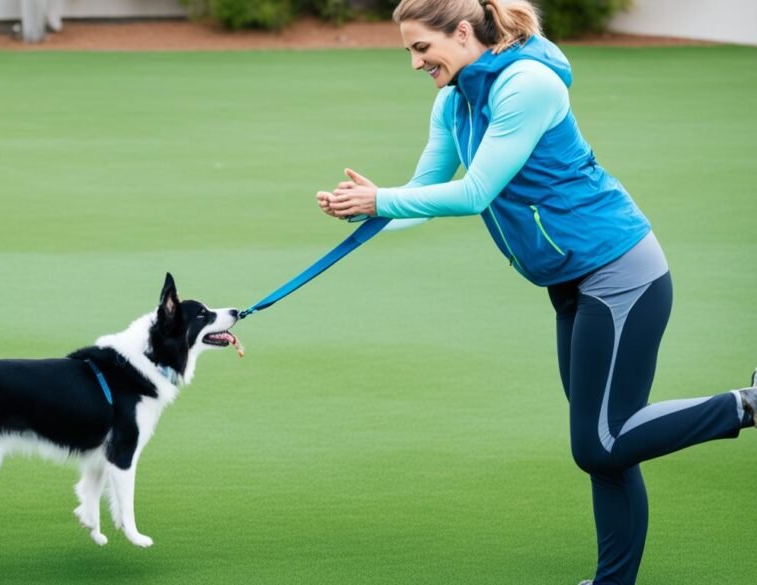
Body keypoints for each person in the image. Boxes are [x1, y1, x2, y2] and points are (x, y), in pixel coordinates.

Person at [315, 1, 756, 583]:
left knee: (601, 442)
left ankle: (748, 405)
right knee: (608, 443)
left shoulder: (528, 85)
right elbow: (422, 193)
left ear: (465, 32)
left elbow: (474, 193)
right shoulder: (453, 102)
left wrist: (384, 200)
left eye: (422, 48)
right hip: (570, 285)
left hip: (621, 274)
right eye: (409, 52)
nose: (415, 62)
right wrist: (367, 211)